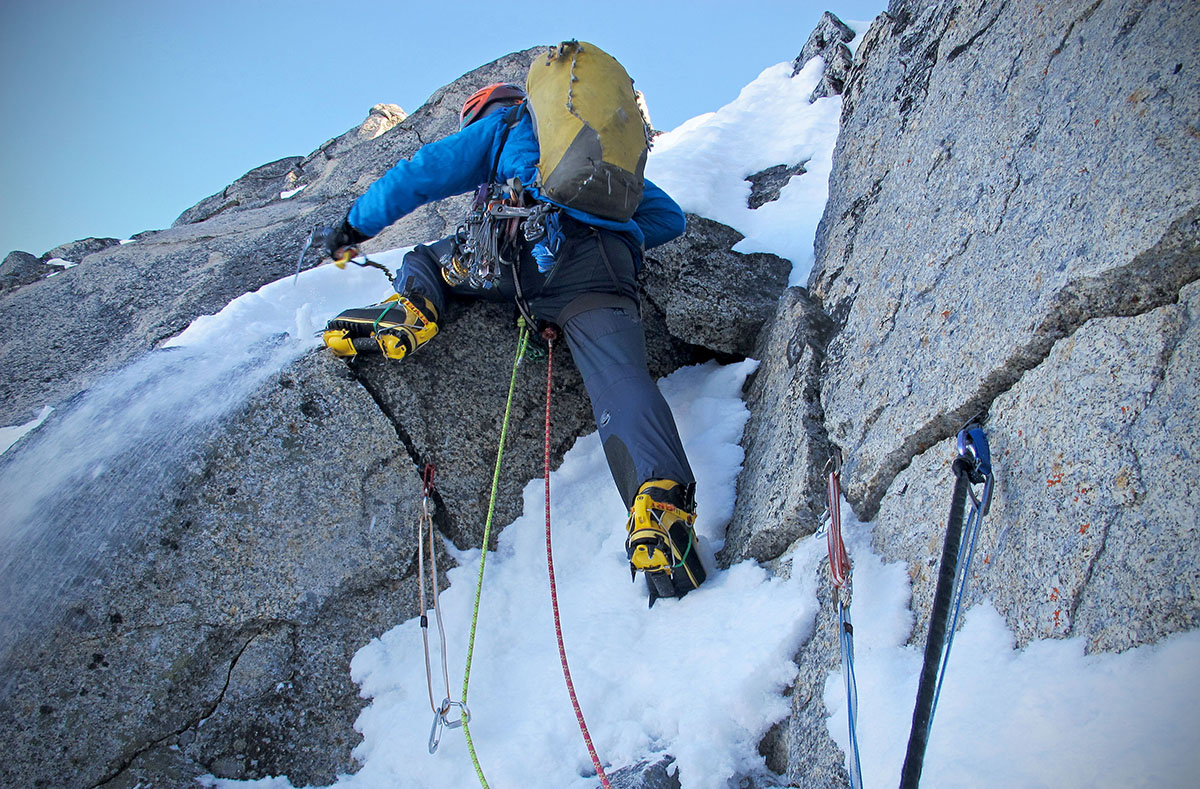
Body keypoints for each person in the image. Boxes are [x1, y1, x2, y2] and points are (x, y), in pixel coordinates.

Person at [320, 82, 705, 605]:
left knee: (428, 259)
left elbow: (423, 172)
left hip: (519, 252)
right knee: (621, 384)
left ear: (483, 111)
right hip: (602, 273)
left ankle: (413, 311)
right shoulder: (603, 163)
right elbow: (669, 219)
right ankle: (661, 510)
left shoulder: (504, 126)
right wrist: (614, 237)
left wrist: (353, 226)